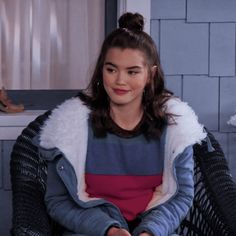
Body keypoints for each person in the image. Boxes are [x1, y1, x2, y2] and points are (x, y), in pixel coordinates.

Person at [35, 12, 206, 236]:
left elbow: (182, 196)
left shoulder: (176, 130)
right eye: (111, 69)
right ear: (101, 70)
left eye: (132, 71)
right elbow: (57, 201)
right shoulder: (70, 128)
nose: (120, 81)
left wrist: (151, 231)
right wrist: (108, 230)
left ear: (150, 75)